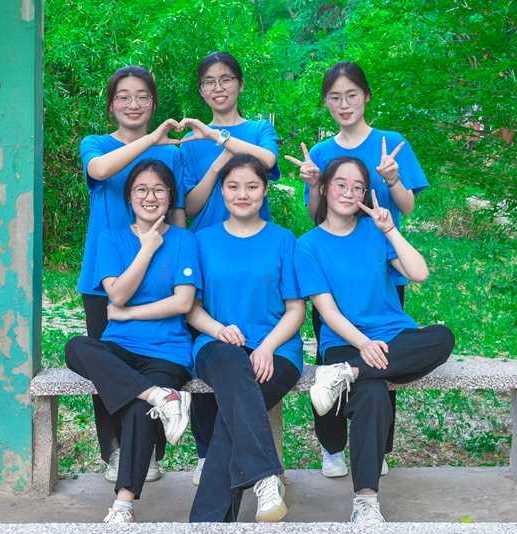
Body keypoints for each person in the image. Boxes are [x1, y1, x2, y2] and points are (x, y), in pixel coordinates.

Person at [285, 61, 430, 478]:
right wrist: (312, 184)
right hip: (332, 270)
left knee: (386, 352)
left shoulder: (391, 143)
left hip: (382, 265)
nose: (344, 104)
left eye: (352, 94)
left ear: (366, 96)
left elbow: (407, 208)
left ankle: (378, 446)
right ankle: (332, 446)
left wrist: (393, 179)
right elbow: (316, 215)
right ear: (326, 103)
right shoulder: (322, 153)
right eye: (335, 97)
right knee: (332, 352)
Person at [294, 157, 454, 526]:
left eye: (358, 187)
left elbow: (419, 273)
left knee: (443, 337)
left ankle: (346, 373)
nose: (349, 193)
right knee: (374, 394)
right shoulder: (308, 245)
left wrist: (390, 229)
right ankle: (365, 500)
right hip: (345, 342)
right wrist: (364, 345)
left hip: (392, 339)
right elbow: (327, 312)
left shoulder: (374, 232)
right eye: (341, 184)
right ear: (324, 188)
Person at [65, 159, 199, 524]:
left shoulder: (184, 240)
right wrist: (147, 248)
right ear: (129, 197)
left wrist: (127, 314)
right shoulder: (111, 239)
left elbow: (183, 302)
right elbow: (118, 294)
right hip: (119, 347)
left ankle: (122, 505)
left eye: (158, 190)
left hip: (167, 351)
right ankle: (158, 396)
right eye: (141, 190)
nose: (150, 197)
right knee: (76, 347)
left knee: (139, 411)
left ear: (170, 196)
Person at [78, 65, 185, 483]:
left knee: (155, 361)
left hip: (160, 275)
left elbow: (178, 216)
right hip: (104, 277)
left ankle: (151, 451)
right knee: (106, 364)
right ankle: (115, 451)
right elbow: (100, 171)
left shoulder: (171, 154)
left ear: (153, 102)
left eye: (142, 96)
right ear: (111, 105)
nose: (133, 103)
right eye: (123, 96)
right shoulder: (96, 144)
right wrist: (151, 139)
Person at [180, 51, 281, 484]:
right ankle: (208, 452)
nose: (217, 87)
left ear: (239, 84)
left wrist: (218, 137)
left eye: (225, 79)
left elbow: (268, 162)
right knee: (207, 347)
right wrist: (217, 163)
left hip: (255, 251)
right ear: (201, 90)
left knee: (256, 349)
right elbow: (189, 205)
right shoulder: (189, 145)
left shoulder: (258, 129)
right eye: (209, 81)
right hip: (206, 252)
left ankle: (255, 454)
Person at [187, 154, 304, 522]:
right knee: (234, 372)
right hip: (217, 345)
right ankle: (265, 475)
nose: (242, 194)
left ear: (265, 190)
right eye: (233, 186)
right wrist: (218, 329)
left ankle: (206, 524)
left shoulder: (283, 240)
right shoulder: (202, 240)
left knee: (231, 418)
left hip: (277, 349)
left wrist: (267, 347)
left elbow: (296, 310)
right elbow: (191, 308)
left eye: (252, 186)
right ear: (221, 191)